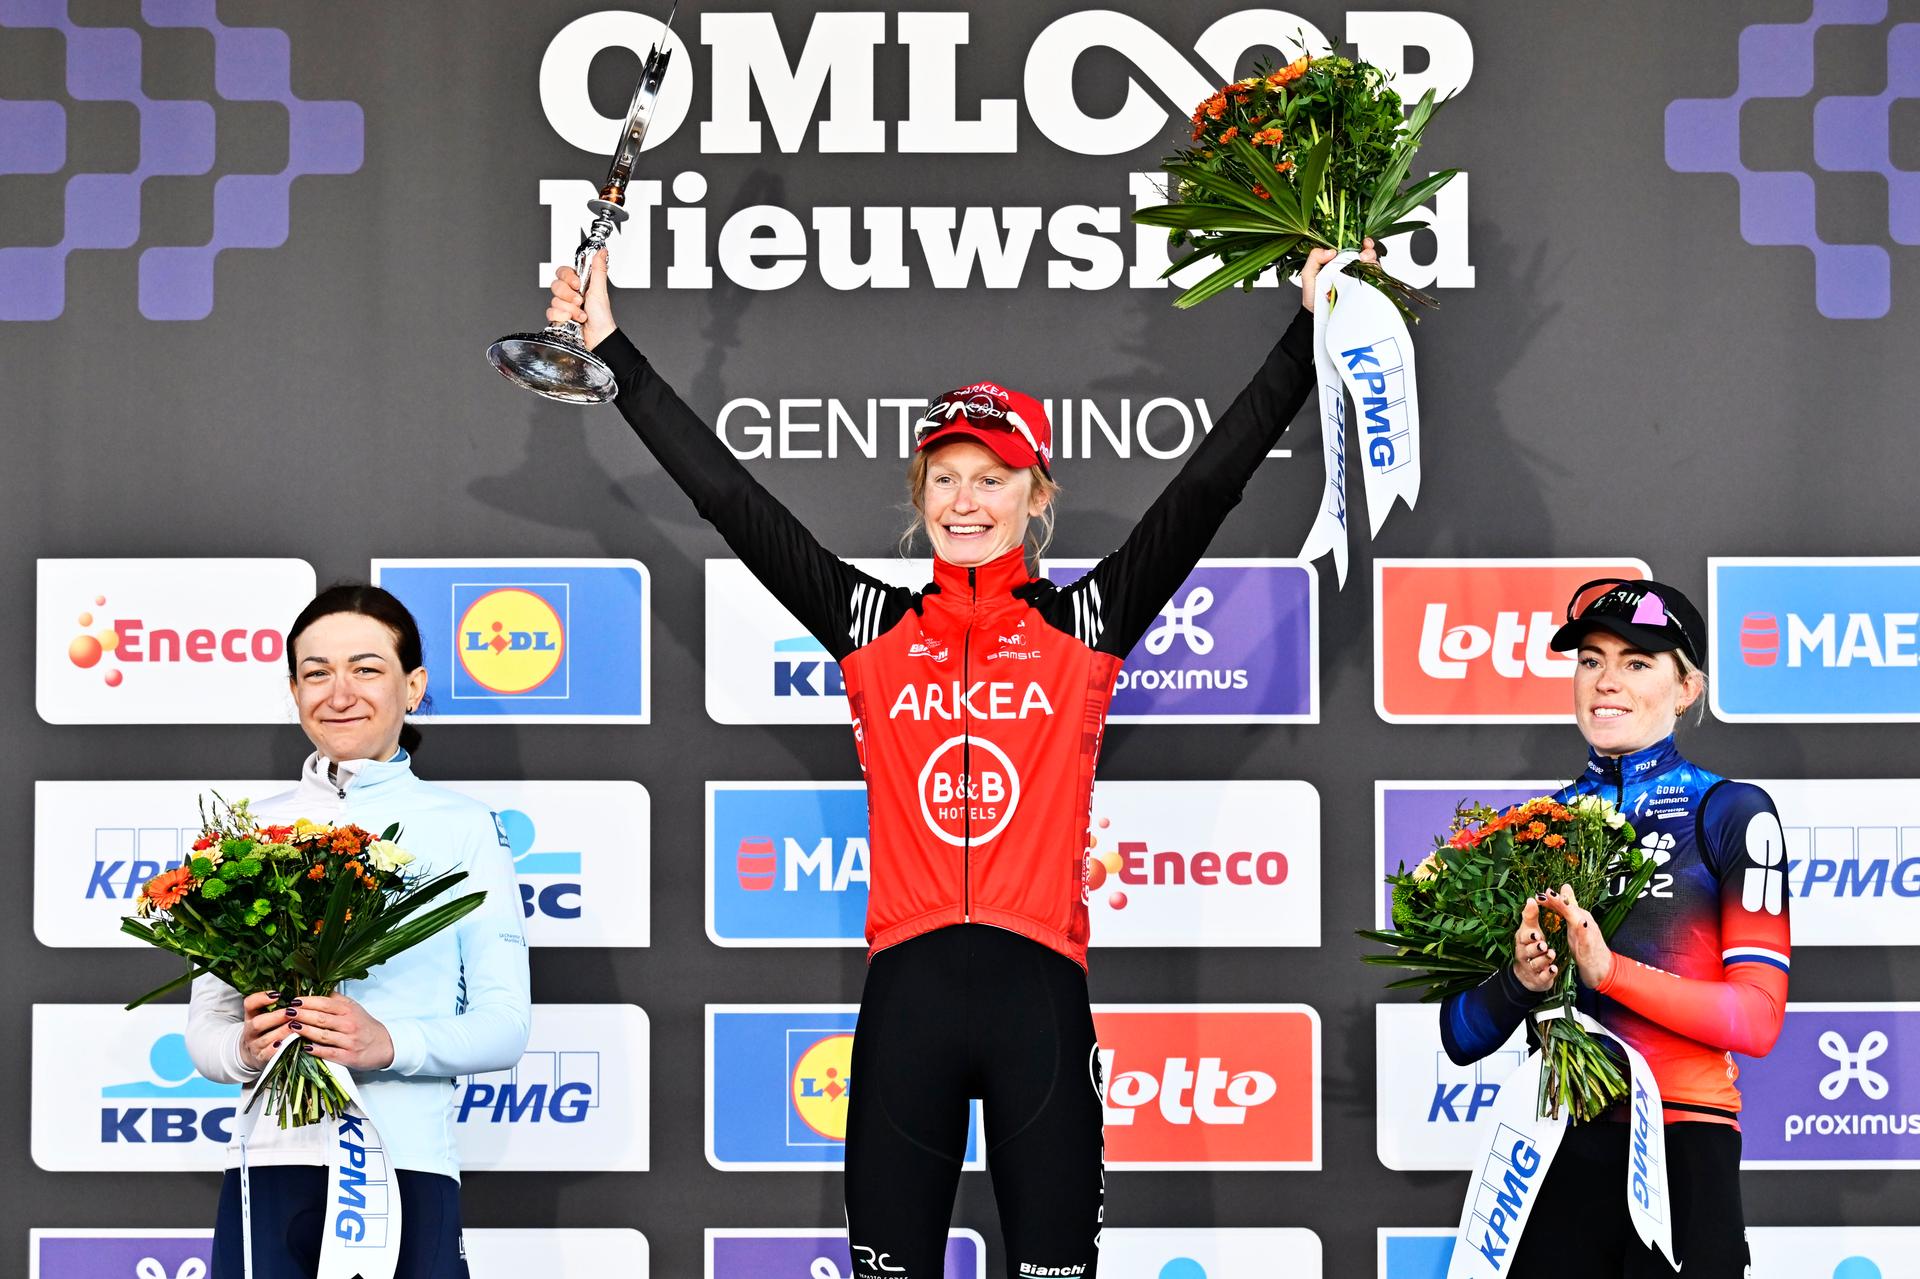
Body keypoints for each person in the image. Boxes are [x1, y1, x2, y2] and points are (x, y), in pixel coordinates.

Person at [547, 241, 1368, 1276]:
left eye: (993, 477)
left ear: (1038, 495)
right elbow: (728, 498)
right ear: (919, 492)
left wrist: (1311, 328)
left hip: (1041, 1001)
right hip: (909, 1001)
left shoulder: (1088, 621)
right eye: (945, 477)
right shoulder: (866, 620)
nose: (966, 500)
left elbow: (1210, 485)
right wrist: (612, 349)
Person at [1440, 578, 1791, 1278]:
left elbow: (1756, 1019)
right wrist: (1518, 982)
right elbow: (1460, 1036)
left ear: (1686, 687)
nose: (1607, 681)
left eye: (1637, 662)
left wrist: (1610, 974)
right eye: (1591, 659)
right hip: (1553, 1153)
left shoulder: (1731, 812)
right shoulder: (1531, 829)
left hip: (1685, 1150)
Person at [186, 584, 532, 1279]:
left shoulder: (464, 825)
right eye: (316, 672)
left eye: (366, 668)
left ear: (413, 684)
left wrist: (388, 1041)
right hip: (270, 1174)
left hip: (407, 1171)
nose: (339, 692)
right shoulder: (242, 830)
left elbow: (505, 1026)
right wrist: (247, 1049)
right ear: (294, 689)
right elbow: (207, 1034)